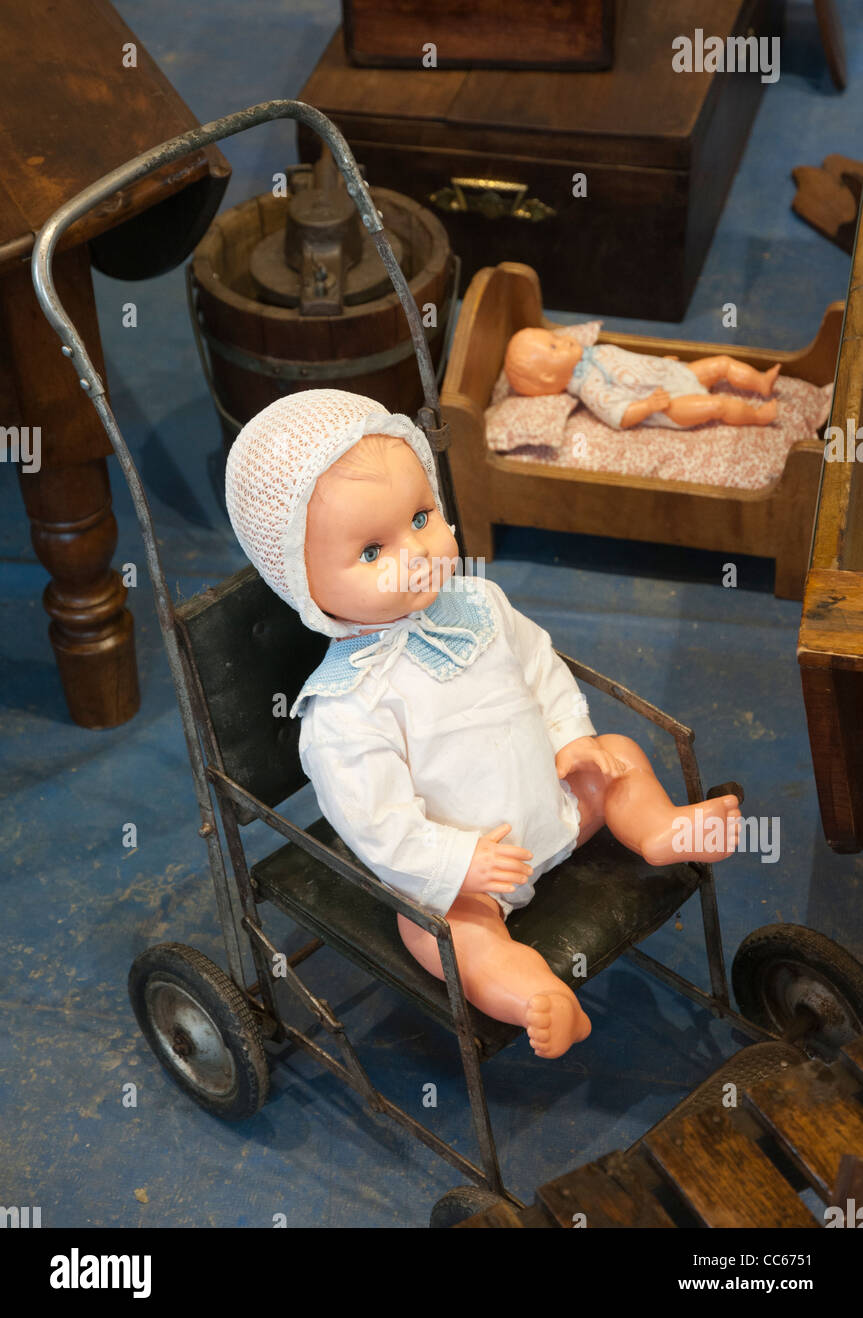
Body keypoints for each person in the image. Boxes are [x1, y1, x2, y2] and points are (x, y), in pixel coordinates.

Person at [225, 390, 741, 1059]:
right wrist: (457, 861)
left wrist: (571, 739)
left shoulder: (477, 603)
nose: (416, 554)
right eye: (373, 550)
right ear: (303, 583)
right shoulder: (345, 706)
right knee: (442, 933)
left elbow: (540, 669)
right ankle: (536, 995)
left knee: (615, 754)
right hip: (477, 872)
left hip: (553, 807)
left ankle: (659, 829)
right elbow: (376, 824)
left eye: (421, 517)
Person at [504, 326, 781, 429]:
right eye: (554, 347)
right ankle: (756, 417)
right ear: (548, 375)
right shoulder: (590, 386)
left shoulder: (591, 353)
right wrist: (649, 406)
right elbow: (617, 414)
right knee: (717, 406)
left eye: (554, 336)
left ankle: (760, 382)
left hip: (672, 375)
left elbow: (629, 361)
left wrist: (659, 364)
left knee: (721, 364)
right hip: (668, 405)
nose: (563, 339)